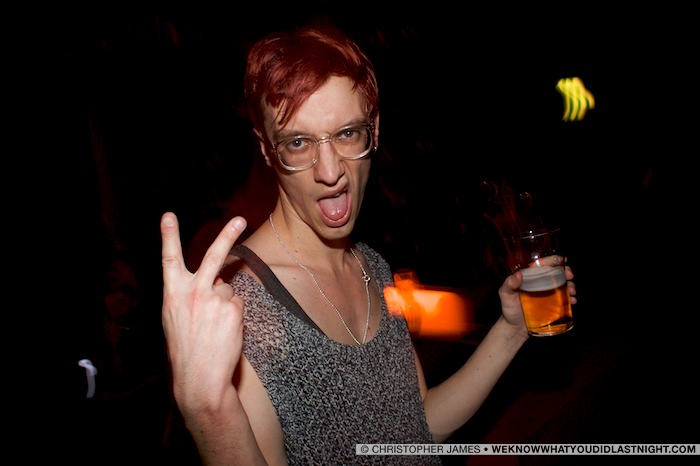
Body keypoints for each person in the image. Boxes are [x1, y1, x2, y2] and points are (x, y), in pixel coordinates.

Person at [160, 23, 577, 465]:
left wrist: (511, 330)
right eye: (298, 142)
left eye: (347, 134)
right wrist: (209, 412)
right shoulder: (242, 304)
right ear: (266, 149)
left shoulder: (371, 266)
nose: (329, 171)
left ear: (374, 129)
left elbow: (418, 428)